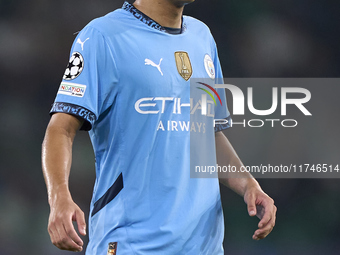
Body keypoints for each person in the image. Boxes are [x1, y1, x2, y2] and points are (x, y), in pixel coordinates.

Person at [42, 0, 277, 254]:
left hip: (203, 246)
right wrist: (58, 197)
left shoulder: (203, 38)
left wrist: (249, 185)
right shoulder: (103, 37)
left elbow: (207, 135)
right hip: (132, 244)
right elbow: (61, 129)